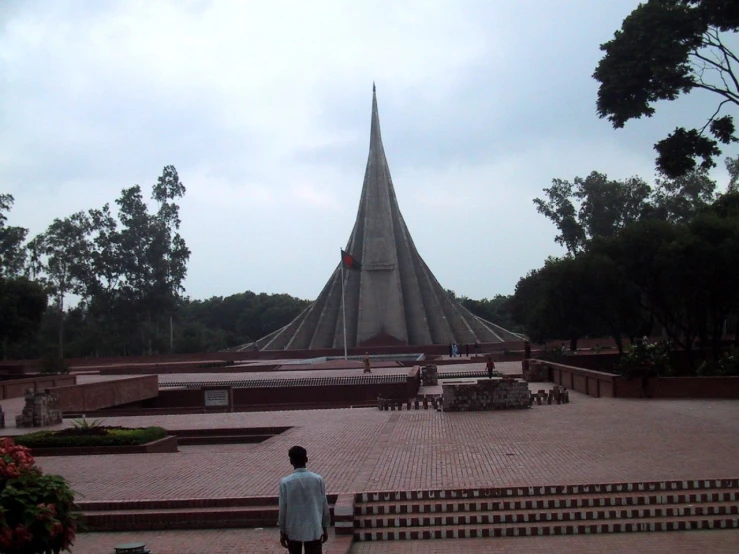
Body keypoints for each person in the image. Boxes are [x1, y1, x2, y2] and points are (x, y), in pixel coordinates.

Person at [279, 445, 330, 554]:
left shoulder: (285, 482)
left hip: (293, 528)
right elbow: (324, 504)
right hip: (314, 527)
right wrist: (325, 527)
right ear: (306, 459)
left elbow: (283, 509)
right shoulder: (318, 479)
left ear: (291, 461)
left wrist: (282, 531)